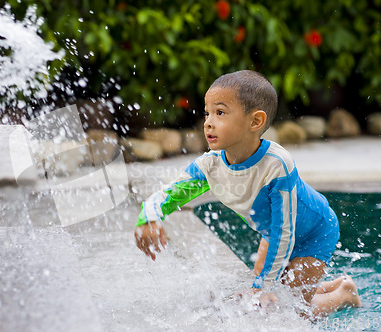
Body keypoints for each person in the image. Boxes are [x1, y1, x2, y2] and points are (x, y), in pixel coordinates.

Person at [134, 70, 362, 318]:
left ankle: (344, 294)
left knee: (293, 312)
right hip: (272, 233)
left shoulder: (277, 165)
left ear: (255, 122)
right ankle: (327, 285)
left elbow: (284, 232)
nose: (208, 122)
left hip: (314, 232)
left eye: (220, 112)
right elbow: (169, 195)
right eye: (207, 113)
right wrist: (149, 217)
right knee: (267, 300)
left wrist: (263, 285)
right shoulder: (210, 166)